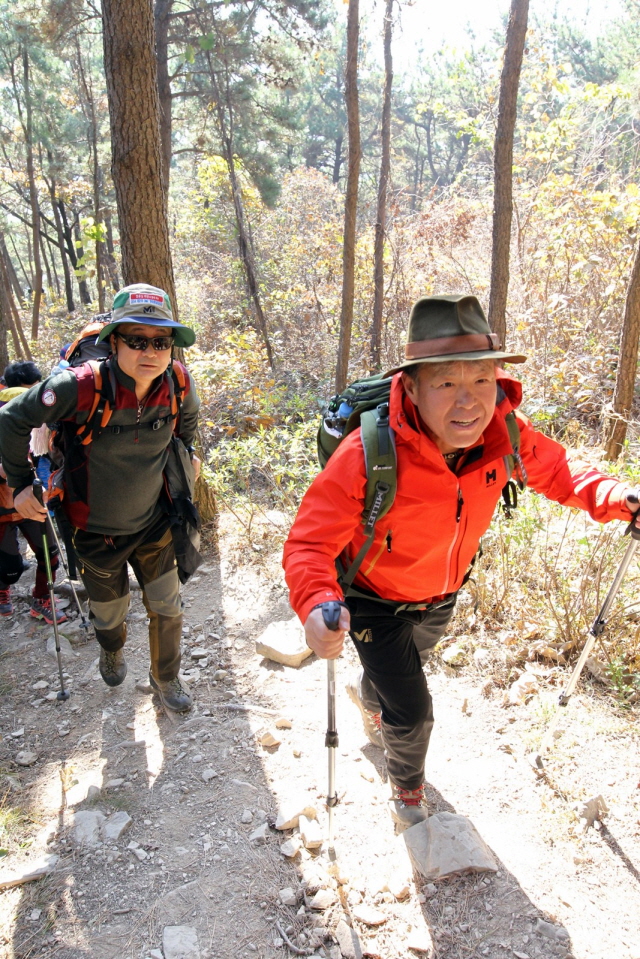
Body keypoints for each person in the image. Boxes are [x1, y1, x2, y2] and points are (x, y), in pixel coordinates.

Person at [282, 294, 640, 827]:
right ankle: (407, 793)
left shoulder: (505, 434)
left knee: (396, 677)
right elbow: (309, 544)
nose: (468, 401)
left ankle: (371, 697)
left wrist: (617, 498)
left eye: (480, 381)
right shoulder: (368, 453)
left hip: (440, 597)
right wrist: (315, 605)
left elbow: (561, 473)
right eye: (446, 383)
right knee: (414, 711)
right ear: (411, 386)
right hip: (371, 598)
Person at [0, 283, 201, 712]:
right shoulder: (78, 387)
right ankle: (111, 648)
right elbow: (11, 419)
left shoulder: (178, 381)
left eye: (161, 341)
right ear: (113, 342)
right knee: (110, 615)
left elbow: (189, 424)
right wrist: (19, 486)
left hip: (155, 521)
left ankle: (166, 678)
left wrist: (189, 455)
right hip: (94, 530)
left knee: (168, 605)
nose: (151, 350)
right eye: (137, 339)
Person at [0, 361, 67, 623]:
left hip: (30, 497)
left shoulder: (42, 413)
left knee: (49, 553)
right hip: (4, 504)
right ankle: (4, 589)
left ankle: (41, 599)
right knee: (9, 567)